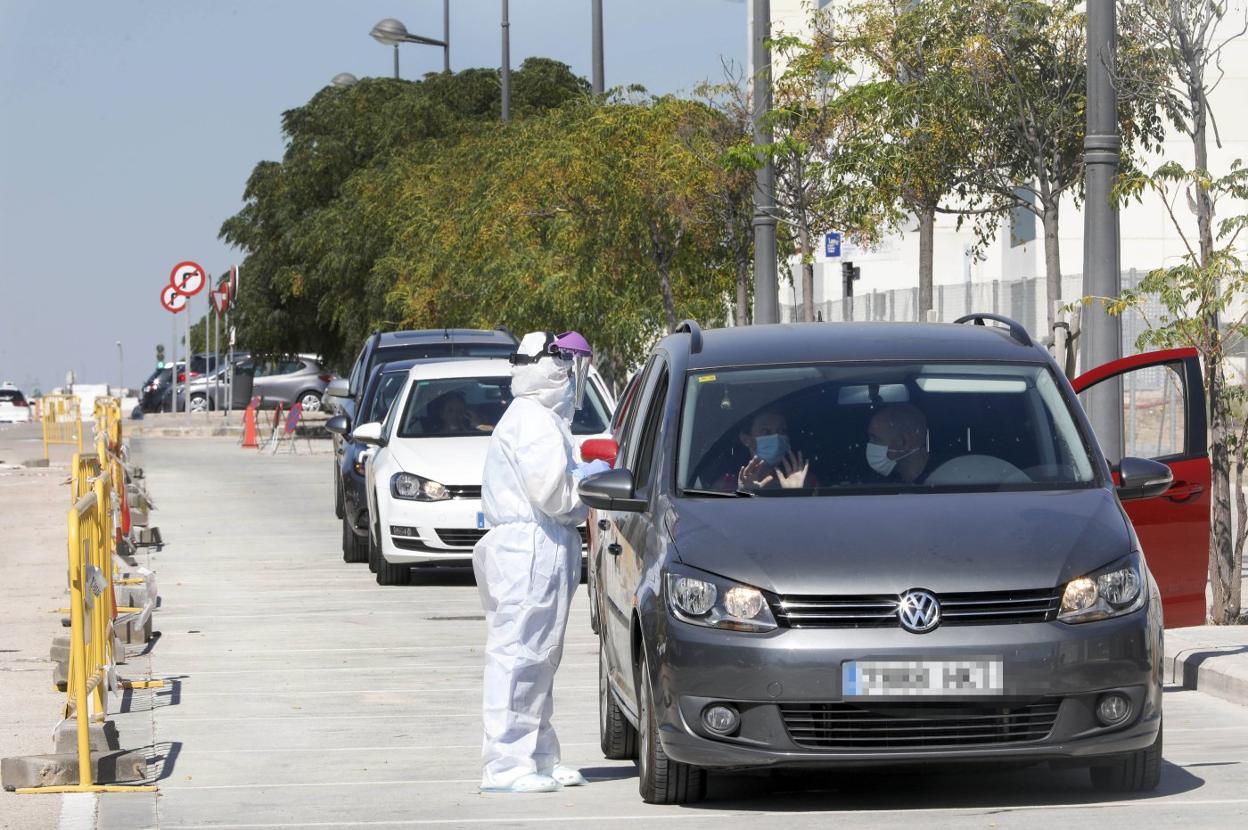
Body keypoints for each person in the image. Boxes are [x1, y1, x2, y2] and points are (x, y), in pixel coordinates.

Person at [472, 331, 607, 794]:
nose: (572, 376)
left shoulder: (542, 418)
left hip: (540, 546)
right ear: (549, 367)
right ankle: (504, 766)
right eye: (567, 364)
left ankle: (539, 756)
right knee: (518, 658)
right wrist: (586, 485)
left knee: (541, 658)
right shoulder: (531, 420)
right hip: (529, 549)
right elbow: (553, 494)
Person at [735, 407, 810, 490]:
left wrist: (796, 493)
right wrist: (745, 494)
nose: (776, 437)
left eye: (782, 431)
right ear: (746, 439)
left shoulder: (805, 480)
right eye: (766, 431)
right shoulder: (725, 486)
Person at [865, 403, 929, 484]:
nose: (869, 445)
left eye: (875, 439)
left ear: (904, 442)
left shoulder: (941, 478)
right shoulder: (887, 483)